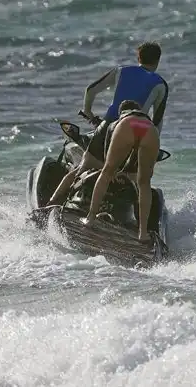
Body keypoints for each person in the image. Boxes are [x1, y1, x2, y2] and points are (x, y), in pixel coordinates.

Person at [44, 41, 168, 206]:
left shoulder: (121, 71)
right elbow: (157, 122)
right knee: (136, 181)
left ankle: (50, 204)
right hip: (132, 133)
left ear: (138, 58)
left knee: (80, 169)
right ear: (158, 60)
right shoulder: (160, 85)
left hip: (106, 127)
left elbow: (90, 90)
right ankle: (137, 218)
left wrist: (88, 112)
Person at [81, 100, 160, 242]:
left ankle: (90, 218)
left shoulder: (119, 121)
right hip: (150, 129)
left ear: (121, 112)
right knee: (144, 183)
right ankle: (143, 233)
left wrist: (113, 171)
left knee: (106, 173)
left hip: (127, 125)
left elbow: (107, 158)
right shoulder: (145, 119)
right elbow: (139, 163)